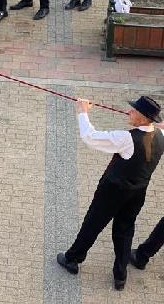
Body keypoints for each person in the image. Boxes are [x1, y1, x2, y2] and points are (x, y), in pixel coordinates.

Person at [57, 96, 163, 292]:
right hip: (138, 193)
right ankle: (120, 275)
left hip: (113, 191)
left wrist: (82, 111)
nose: (129, 112)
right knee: (124, 229)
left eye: (133, 111)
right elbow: (160, 127)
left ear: (142, 118)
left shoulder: (126, 138)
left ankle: (72, 259)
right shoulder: (160, 135)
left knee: (93, 223)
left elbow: (90, 137)